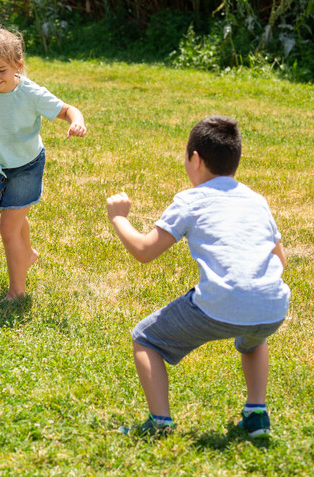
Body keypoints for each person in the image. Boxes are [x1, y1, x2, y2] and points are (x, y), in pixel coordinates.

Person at [106, 115, 290, 437]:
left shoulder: (191, 200)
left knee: (145, 338)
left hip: (220, 302)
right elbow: (281, 261)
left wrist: (119, 218)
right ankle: (257, 414)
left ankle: (160, 423)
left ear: (195, 159)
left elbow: (144, 251)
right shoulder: (257, 201)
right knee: (253, 340)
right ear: (236, 160)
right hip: (272, 306)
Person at [0, 27, 86, 301]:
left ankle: (17, 293)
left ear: (18, 66)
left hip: (25, 166)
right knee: (13, 213)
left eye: (1, 70)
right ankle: (29, 254)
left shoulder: (32, 94)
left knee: (8, 230)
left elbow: (69, 110)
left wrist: (77, 122)